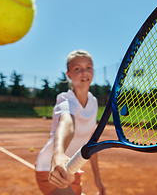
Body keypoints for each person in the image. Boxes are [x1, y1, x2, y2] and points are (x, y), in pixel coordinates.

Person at [35, 50, 106, 195]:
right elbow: (67, 123)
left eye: (88, 67)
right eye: (77, 69)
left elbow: (90, 143)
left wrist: (97, 178)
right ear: (68, 74)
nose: (84, 72)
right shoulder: (65, 99)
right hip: (52, 168)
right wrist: (59, 154)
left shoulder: (93, 102)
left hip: (73, 166)